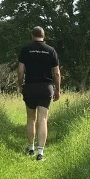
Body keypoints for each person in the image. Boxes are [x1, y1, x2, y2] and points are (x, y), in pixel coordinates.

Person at [17, 26, 60, 161]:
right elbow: (56, 73)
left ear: (32, 36)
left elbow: (20, 71)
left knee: (31, 118)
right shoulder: (51, 50)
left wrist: (20, 85)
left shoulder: (26, 50)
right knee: (43, 119)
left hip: (30, 87)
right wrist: (57, 90)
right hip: (45, 88)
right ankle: (40, 152)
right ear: (43, 35)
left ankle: (31, 148)